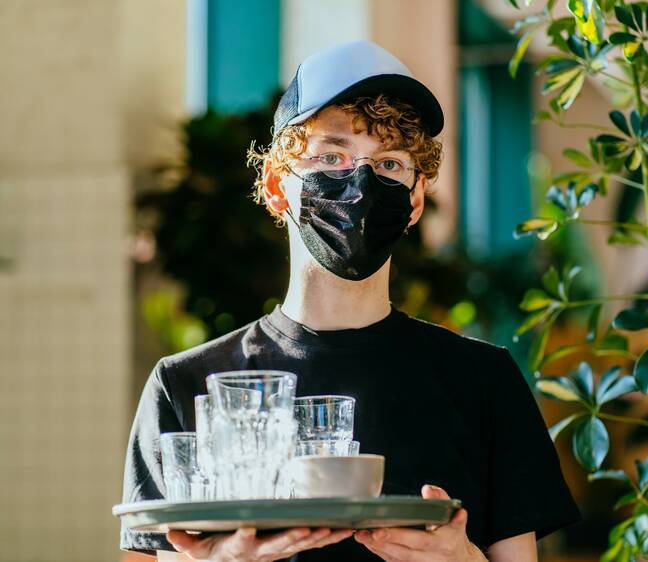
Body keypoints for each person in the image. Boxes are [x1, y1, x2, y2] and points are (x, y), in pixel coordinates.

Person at [120, 39, 581, 562]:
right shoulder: (187, 385)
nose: (360, 183)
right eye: (332, 156)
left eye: (388, 164)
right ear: (276, 186)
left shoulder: (484, 382)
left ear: (414, 199)